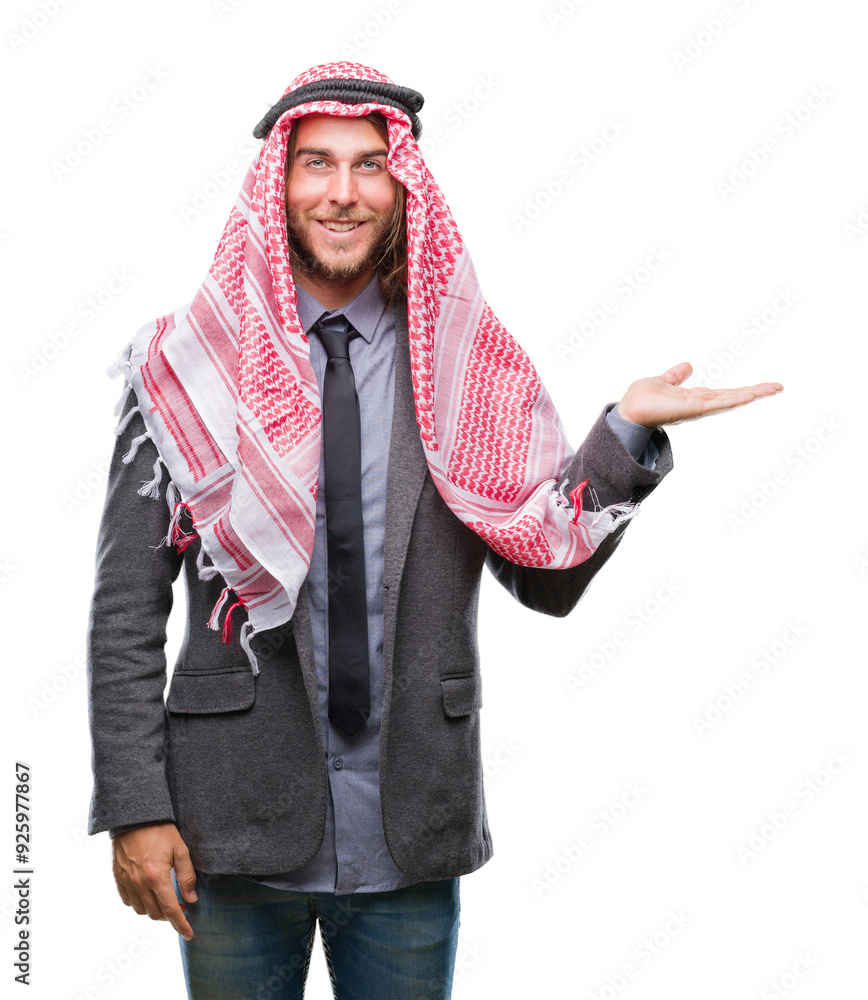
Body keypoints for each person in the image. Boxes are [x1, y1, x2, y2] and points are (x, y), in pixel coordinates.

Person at [85, 61, 783, 1000]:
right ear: (277, 186)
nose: (342, 193)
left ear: (403, 183)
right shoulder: (182, 368)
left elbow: (545, 577)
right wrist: (136, 810)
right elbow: (124, 612)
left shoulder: (465, 368)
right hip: (227, 825)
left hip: (410, 825)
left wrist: (625, 433)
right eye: (317, 165)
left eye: (370, 166)